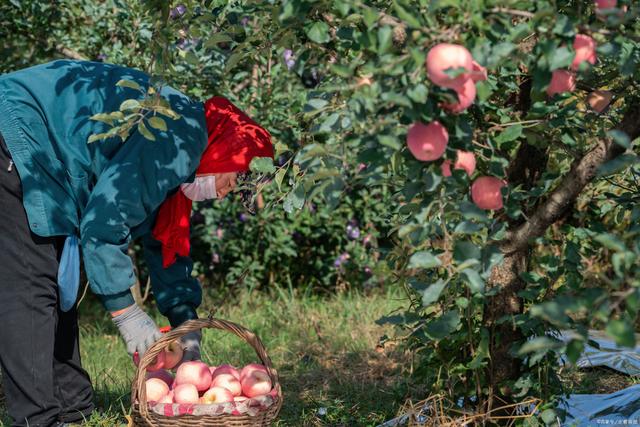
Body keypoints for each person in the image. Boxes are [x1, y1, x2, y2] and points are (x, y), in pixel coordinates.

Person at [0, 59, 273, 427]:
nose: (229, 192)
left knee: (55, 276)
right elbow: (102, 224)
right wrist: (127, 315)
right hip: (18, 127)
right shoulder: (179, 138)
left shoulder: (187, 146)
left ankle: (73, 408)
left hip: (34, 136)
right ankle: (37, 419)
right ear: (229, 150)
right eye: (237, 180)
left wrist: (185, 322)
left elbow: (165, 243)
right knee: (32, 279)